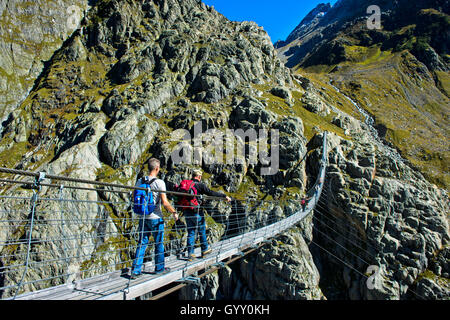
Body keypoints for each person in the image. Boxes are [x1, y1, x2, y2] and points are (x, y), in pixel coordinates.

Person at [130, 158, 178, 278]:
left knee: (142, 243)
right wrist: (174, 212)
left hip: (142, 217)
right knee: (158, 243)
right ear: (157, 168)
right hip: (156, 217)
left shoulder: (139, 181)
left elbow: (133, 197)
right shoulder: (159, 182)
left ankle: (136, 270)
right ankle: (159, 268)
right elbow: (165, 202)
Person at [179, 169, 231, 261]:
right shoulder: (200, 185)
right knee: (201, 230)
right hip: (196, 211)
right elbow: (211, 193)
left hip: (186, 211)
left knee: (191, 232)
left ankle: (191, 254)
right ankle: (204, 249)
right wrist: (224, 196)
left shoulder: (187, 184)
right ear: (199, 177)